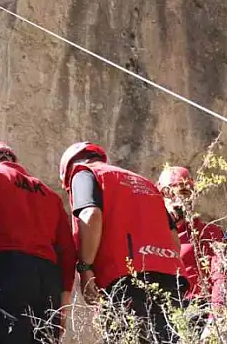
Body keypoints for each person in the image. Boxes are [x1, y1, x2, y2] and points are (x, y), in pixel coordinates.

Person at [59, 142, 184, 344]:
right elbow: (173, 237)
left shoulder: (84, 172)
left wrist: (85, 266)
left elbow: (91, 215)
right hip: (170, 279)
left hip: (125, 277)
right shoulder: (146, 183)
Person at [0, 141, 77, 344]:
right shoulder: (50, 195)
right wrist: (63, 304)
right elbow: (68, 251)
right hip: (48, 279)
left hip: (8, 272)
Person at [157, 166, 227, 336]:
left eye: (186, 192)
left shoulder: (209, 233)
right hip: (160, 313)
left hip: (197, 312)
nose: (179, 199)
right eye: (171, 192)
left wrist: (215, 318)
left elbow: (222, 275)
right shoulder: (150, 235)